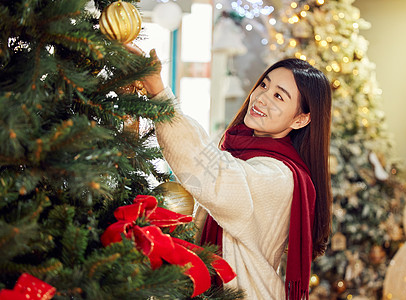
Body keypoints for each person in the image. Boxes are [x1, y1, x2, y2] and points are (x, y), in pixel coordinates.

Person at [126, 44, 332, 300]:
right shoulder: (244, 152)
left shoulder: (280, 177)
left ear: (300, 119)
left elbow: (214, 176)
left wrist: (158, 93)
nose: (262, 98)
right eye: (264, 85)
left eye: (279, 96)